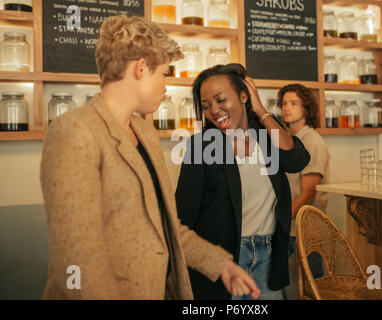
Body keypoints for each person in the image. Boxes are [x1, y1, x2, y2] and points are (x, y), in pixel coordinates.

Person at [40, 15, 260, 300]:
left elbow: (165, 226)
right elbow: (76, 257)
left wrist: (221, 265)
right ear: (142, 68)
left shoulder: (144, 132)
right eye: (164, 74)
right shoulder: (74, 131)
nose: (166, 86)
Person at [175, 64, 311, 300]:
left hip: (268, 256)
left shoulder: (267, 135)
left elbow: (296, 160)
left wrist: (261, 111)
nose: (214, 111)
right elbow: (184, 215)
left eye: (221, 100)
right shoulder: (200, 146)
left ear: (244, 96)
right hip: (224, 260)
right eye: (206, 106)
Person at [277, 84, 330, 300]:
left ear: (306, 108)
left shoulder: (312, 141)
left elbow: (308, 193)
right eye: (283, 103)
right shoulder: (289, 139)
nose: (286, 108)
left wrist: (278, 220)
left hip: (306, 229)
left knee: (313, 289)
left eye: (293, 103)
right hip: (290, 227)